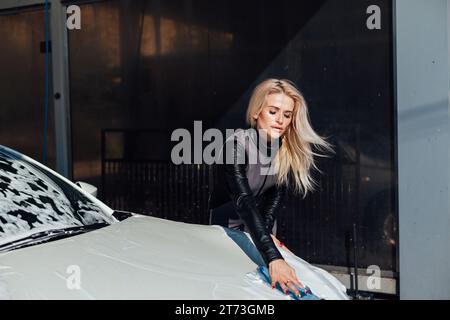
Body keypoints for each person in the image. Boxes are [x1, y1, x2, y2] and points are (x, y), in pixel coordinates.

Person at [208, 78, 333, 296]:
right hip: (226, 234)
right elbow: (243, 202)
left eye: (287, 115)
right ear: (256, 112)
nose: (280, 120)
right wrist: (272, 256)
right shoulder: (235, 146)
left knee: (292, 285)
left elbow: (273, 199)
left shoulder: (284, 150)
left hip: (259, 233)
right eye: (273, 111)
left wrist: (267, 238)